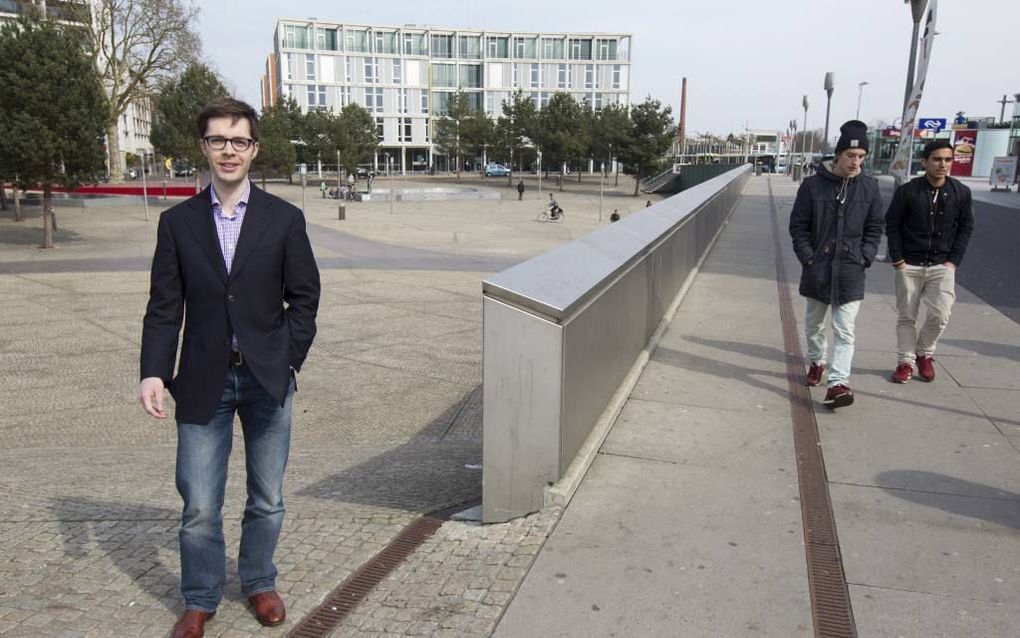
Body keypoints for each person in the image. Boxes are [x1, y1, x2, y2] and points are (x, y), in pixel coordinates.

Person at [138, 98, 320, 638]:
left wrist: (288, 357)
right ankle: (199, 597)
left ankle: (260, 582)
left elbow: (305, 298)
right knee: (198, 502)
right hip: (201, 380)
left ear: (254, 149)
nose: (228, 150)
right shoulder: (177, 223)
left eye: (239, 140)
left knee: (267, 496)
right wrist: (153, 371)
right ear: (204, 147)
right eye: (218, 139)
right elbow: (164, 306)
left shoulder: (285, 219)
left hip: (267, 378)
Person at [789, 120, 883, 409]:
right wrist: (809, 257)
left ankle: (838, 383)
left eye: (861, 157)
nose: (856, 162)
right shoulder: (812, 186)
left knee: (845, 329)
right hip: (818, 269)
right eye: (851, 156)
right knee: (814, 325)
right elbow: (798, 226)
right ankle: (817, 361)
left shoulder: (869, 187)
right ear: (838, 156)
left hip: (850, 269)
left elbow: (875, 226)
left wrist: (865, 255)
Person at [885, 140, 974, 383]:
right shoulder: (908, 191)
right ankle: (905, 361)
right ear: (925, 162)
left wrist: (953, 260)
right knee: (907, 316)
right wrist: (898, 260)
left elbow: (966, 227)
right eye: (937, 159)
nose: (942, 164)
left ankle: (924, 352)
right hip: (909, 264)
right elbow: (892, 225)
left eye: (947, 159)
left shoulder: (960, 192)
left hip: (942, 265)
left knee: (940, 314)